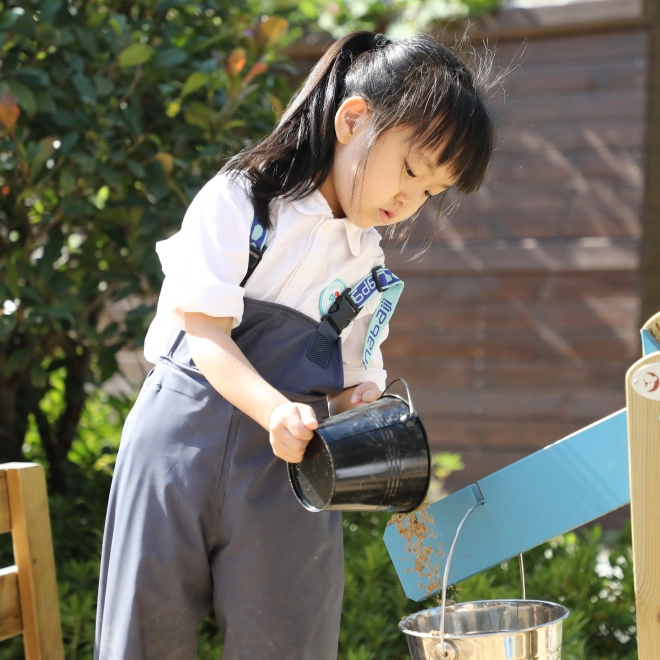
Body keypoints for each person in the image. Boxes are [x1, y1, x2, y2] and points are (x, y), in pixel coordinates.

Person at [94, 30, 496, 660]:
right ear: (353, 119)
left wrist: (363, 402)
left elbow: (348, 382)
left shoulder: (369, 270)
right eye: (410, 172)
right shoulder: (243, 199)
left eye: (428, 194)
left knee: (291, 641)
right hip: (177, 447)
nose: (407, 201)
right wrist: (273, 409)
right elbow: (203, 332)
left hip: (291, 477)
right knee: (143, 638)